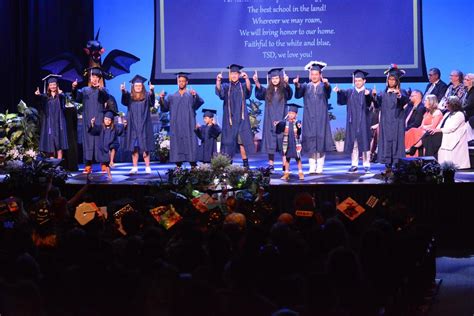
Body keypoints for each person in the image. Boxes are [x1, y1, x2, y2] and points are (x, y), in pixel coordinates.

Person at [294, 61, 333, 174]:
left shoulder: (324, 86)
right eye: (312, 74)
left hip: (321, 118)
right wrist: (296, 85)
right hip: (309, 118)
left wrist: (327, 84)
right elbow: (298, 94)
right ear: (310, 75)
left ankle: (320, 165)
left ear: (320, 75)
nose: (314, 76)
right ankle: (312, 165)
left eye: (316, 74)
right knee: (310, 141)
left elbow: (328, 92)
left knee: (321, 140)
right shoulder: (306, 86)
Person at [160, 72, 204, 169]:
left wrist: (195, 95)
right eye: (179, 81)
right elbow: (164, 108)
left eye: (183, 81)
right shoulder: (172, 96)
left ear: (186, 82)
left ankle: (193, 165)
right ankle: (178, 165)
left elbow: (200, 102)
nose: (181, 83)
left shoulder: (190, 95)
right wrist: (162, 98)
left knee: (190, 141)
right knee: (177, 142)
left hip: (189, 124)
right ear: (177, 82)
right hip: (176, 125)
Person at [254, 68, 293, 170]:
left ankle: (284, 164)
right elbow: (260, 93)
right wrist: (257, 82)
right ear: (270, 80)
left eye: (276, 78)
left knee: (283, 143)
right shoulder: (268, 91)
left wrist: (287, 83)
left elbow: (290, 94)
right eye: (273, 78)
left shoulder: (284, 90)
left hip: (282, 120)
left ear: (280, 78)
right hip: (270, 120)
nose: (275, 80)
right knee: (270, 143)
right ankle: (271, 164)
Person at [72, 67, 109, 173]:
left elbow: (106, 97)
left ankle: (103, 164)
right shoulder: (84, 90)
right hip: (87, 119)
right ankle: (88, 165)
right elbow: (77, 98)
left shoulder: (103, 90)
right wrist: (74, 88)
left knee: (100, 142)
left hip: (99, 118)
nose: (94, 79)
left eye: (96, 77)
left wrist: (100, 89)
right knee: (88, 142)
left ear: (99, 79)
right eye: (93, 77)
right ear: (90, 78)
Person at [372, 65, 409, 172]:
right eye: (389, 79)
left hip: (397, 121)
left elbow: (404, 102)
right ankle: (387, 163)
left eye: (393, 80)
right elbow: (377, 105)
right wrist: (374, 97)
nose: (391, 82)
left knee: (396, 141)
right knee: (386, 140)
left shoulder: (402, 93)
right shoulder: (383, 93)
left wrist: (399, 95)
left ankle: (396, 162)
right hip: (386, 122)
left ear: (397, 81)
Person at [215, 64, 254, 168]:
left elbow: (249, 91)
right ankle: (228, 163)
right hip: (229, 119)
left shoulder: (243, 86)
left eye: (236, 73)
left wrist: (247, 79)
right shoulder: (226, 86)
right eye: (232, 73)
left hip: (241, 119)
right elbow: (219, 92)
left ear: (239, 75)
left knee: (242, 142)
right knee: (228, 142)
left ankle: (245, 163)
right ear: (229, 75)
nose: (234, 75)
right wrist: (218, 81)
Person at [334, 70, 372, 173]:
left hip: (364, 122)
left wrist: (369, 96)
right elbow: (341, 101)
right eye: (356, 81)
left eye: (360, 80)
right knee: (354, 144)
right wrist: (338, 92)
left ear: (364, 81)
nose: (357, 83)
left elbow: (370, 104)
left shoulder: (367, 92)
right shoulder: (350, 92)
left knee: (365, 144)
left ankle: (366, 164)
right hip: (352, 122)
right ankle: (354, 164)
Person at [121, 75, 155, 174]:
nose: (138, 87)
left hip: (144, 124)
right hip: (133, 125)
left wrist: (152, 91)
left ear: (142, 87)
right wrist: (123, 91)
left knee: (145, 147)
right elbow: (125, 98)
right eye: (136, 86)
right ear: (133, 87)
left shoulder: (147, 96)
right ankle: (135, 167)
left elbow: (152, 101)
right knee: (134, 147)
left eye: (140, 86)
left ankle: (147, 166)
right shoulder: (130, 97)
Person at [426, 96, 470, 169]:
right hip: (444, 133)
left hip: (453, 136)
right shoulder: (447, 114)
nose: (445, 105)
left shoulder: (459, 114)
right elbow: (440, 125)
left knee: (431, 138)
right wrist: (434, 129)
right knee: (428, 135)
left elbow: (452, 128)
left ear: (453, 104)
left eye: (447, 103)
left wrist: (438, 130)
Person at [34, 74, 68, 159]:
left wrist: (61, 95)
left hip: (59, 122)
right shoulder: (45, 97)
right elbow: (40, 102)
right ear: (48, 86)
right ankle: (52, 165)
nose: (53, 86)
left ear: (57, 85)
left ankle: (59, 164)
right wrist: (38, 96)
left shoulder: (60, 96)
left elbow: (63, 104)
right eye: (51, 85)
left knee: (59, 144)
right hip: (49, 122)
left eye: (54, 84)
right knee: (50, 143)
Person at [88, 110, 127, 179]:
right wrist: (92, 123)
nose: (107, 121)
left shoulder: (114, 127)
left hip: (112, 144)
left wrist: (124, 124)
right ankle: (109, 175)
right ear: (103, 119)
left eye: (109, 120)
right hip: (104, 146)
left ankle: (112, 161)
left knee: (113, 147)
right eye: (106, 119)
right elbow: (94, 130)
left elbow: (120, 129)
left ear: (111, 120)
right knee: (106, 163)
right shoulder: (101, 127)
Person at [275, 104, 304, 181]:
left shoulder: (297, 122)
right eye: (290, 113)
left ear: (296, 114)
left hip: (295, 143)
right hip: (287, 143)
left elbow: (299, 132)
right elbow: (280, 126)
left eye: (293, 113)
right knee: (287, 159)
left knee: (298, 159)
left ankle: (300, 173)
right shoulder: (285, 122)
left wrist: (299, 127)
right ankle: (286, 173)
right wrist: (277, 124)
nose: (291, 115)